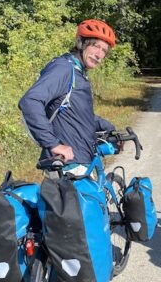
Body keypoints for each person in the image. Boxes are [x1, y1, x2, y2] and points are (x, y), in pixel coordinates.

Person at [19, 19, 117, 176]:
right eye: (95, 46)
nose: (99, 55)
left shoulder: (77, 72)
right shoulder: (63, 68)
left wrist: (109, 128)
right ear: (80, 42)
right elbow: (30, 101)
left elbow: (76, 113)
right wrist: (53, 144)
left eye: (104, 51)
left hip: (82, 161)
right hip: (68, 166)